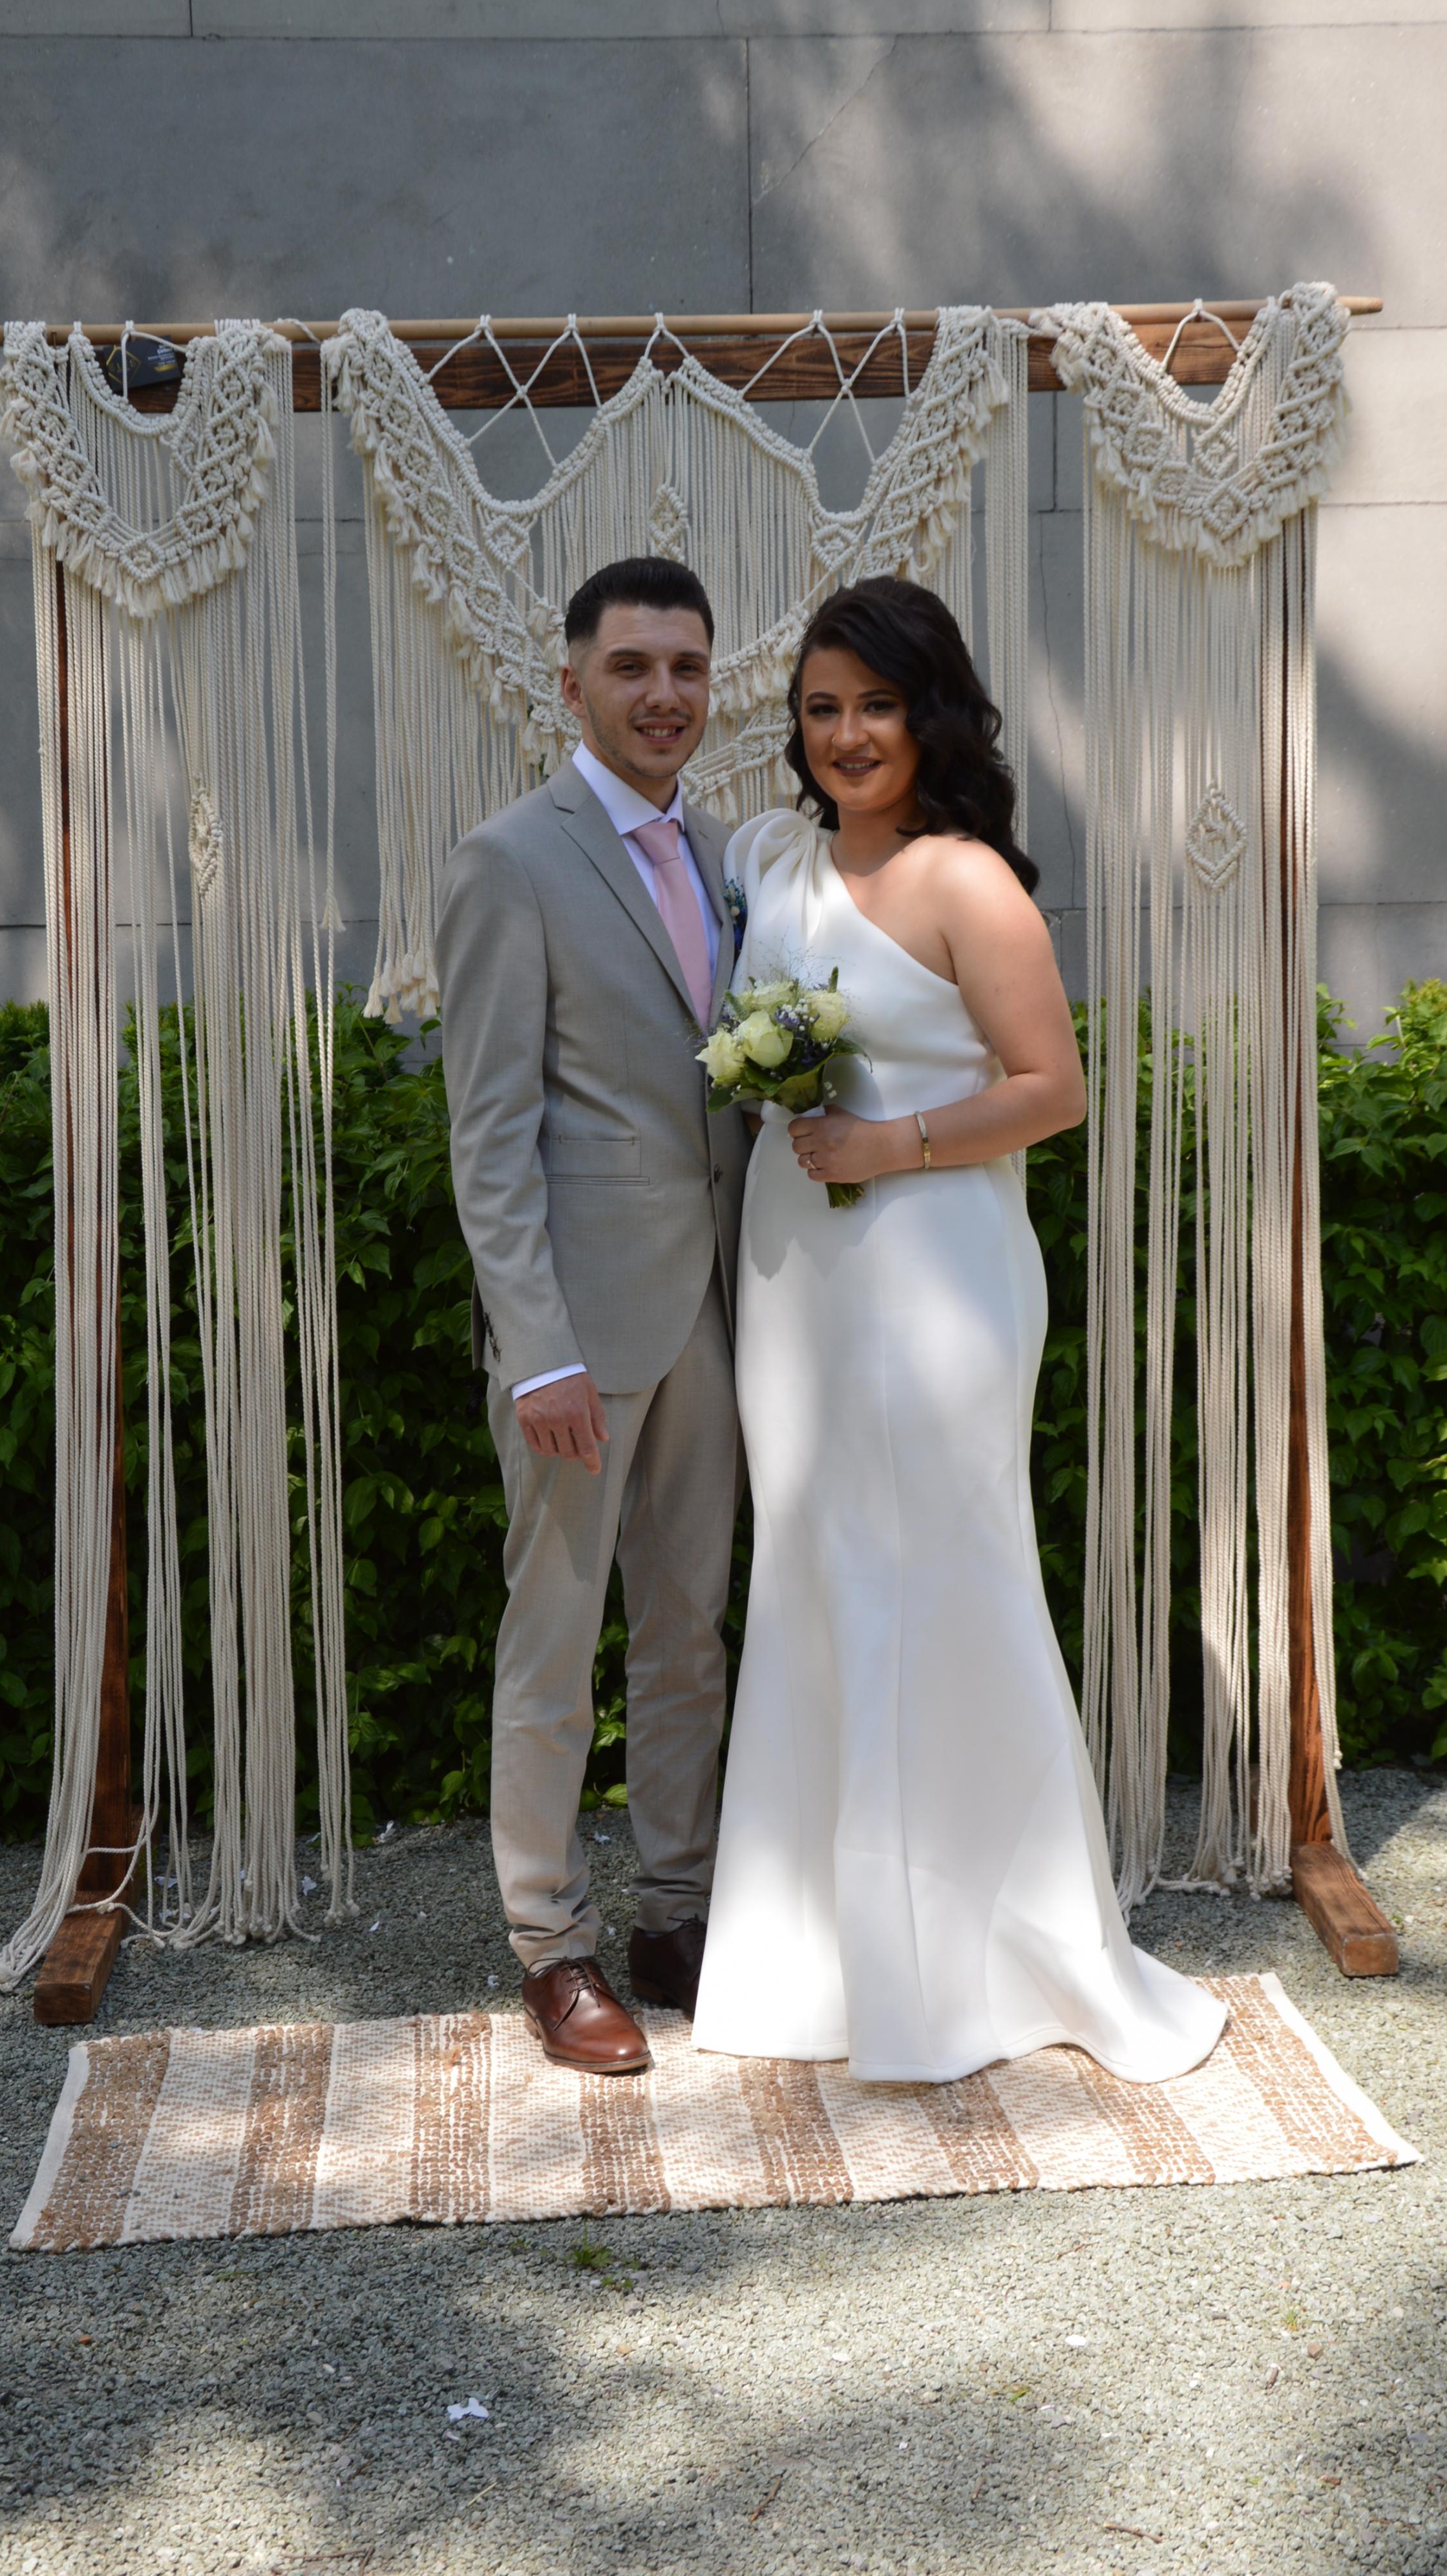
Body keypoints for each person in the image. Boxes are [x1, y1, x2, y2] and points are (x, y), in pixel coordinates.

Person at [691, 575, 1227, 2086]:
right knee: (814, 1573)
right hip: (797, 1273)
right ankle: (822, 1967)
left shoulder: (967, 879)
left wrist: (892, 1143)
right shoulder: (770, 856)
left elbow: (1054, 1088)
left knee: (943, 1577)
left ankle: (991, 1957)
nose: (847, 734)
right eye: (821, 707)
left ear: (930, 715)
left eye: (876, 704)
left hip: (936, 1272)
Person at [435, 556, 750, 2074]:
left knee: (690, 1631)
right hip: (579, 1334)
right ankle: (551, 1944)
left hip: (718, 1312)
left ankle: (678, 1913)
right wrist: (536, 1346)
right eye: (632, 667)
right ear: (571, 686)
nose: (662, 694)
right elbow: (490, 1135)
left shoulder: (731, 856)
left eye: (686, 667)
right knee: (554, 1645)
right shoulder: (511, 861)